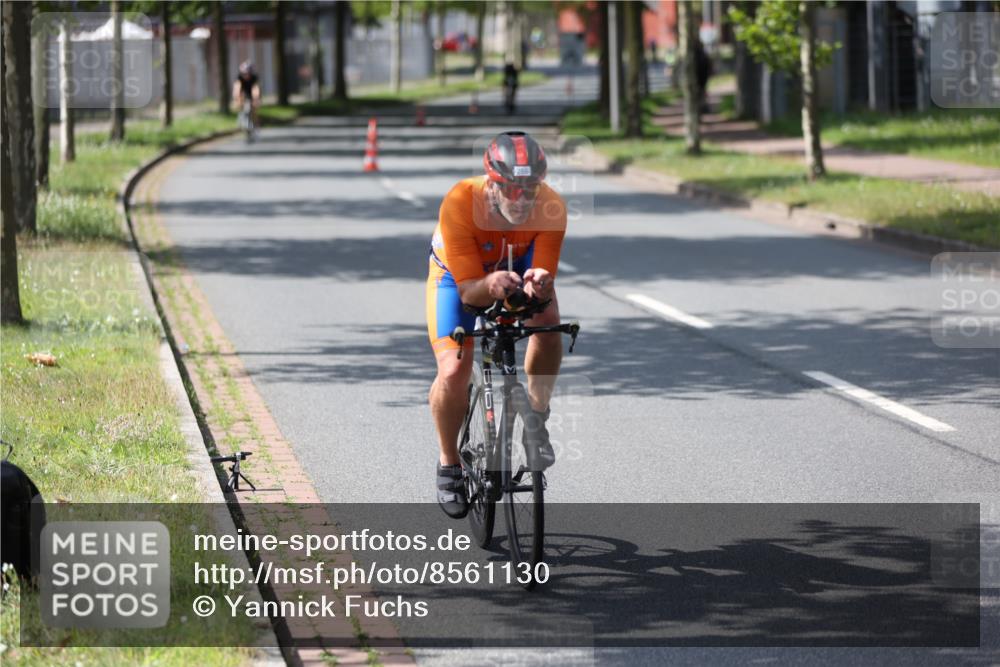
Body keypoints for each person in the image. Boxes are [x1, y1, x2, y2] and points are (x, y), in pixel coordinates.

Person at [426, 131, 566, 518]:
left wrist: (540, 283)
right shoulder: (459, 201)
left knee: (549, 323)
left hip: (514, 270)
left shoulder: (551, 205)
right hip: (458, 278)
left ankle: (536, 418)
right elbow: (471, 293)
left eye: (530, 189)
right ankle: (449, 462)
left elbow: (543, 278)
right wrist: (491, 286)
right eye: (510, 188)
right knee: (454, 369)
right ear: (491, 182)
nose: (522, 199)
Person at [232, 60, 261, 129]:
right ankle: (241, 116)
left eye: (248, 73)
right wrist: (236, 97)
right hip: (243, 92)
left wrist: (256, 98)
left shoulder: (254, 78)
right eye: (244, 73)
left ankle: (256, 123)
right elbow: (237, 88)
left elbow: (256, 88)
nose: (246, 75)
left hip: (252, 91)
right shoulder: (239, 78)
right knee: (240, 101)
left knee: (254, 106)